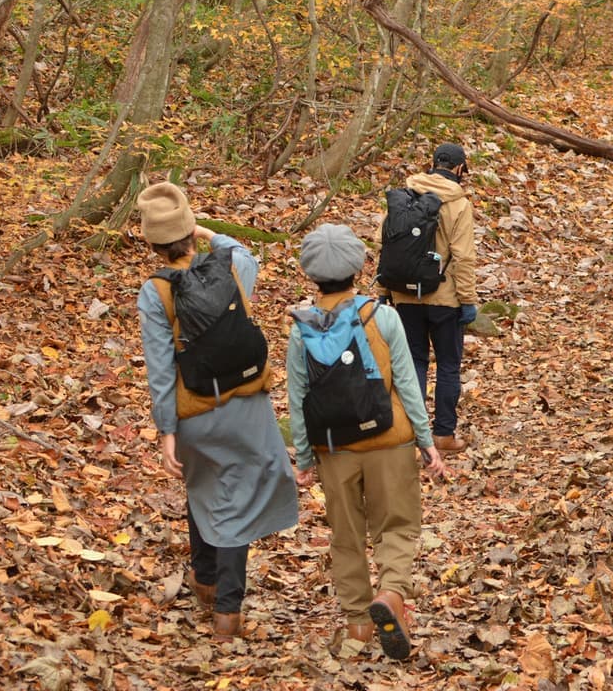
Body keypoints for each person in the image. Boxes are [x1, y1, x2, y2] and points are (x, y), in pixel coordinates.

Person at [135, 182, 299, 641]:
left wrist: (167, 430)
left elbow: (161, 368)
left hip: (194, 411)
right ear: (190, 231)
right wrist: (205, 230)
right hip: (247, 401)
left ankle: (204, 580)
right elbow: (246, 251)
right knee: (238, 495)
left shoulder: (155, 293)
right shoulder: (231, 266)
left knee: (205, 484)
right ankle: (228, 611)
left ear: (152, 243)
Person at [285, 224, 448, 660]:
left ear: (310, 273)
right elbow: (408, 384)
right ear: (360, 267)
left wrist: (304, 457)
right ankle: (391, 593)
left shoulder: (301, 330)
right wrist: (426, 439)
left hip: (334, 447)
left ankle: (358, 625)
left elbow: (297, 398)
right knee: (396, 524)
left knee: (347, 535)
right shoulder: (384, 317)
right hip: (389, 439)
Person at [383, 143, 477, 453]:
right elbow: (462, 257)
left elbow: (386, 245)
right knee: (449, 365)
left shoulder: (406, 195)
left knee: (414, 363)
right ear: (460, 169)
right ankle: (443, 435)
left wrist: (384, 292)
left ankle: (414, 434)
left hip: (404, 295)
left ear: (433, 163)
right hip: (445, 298)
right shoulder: (459, 204)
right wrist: (468, 300)